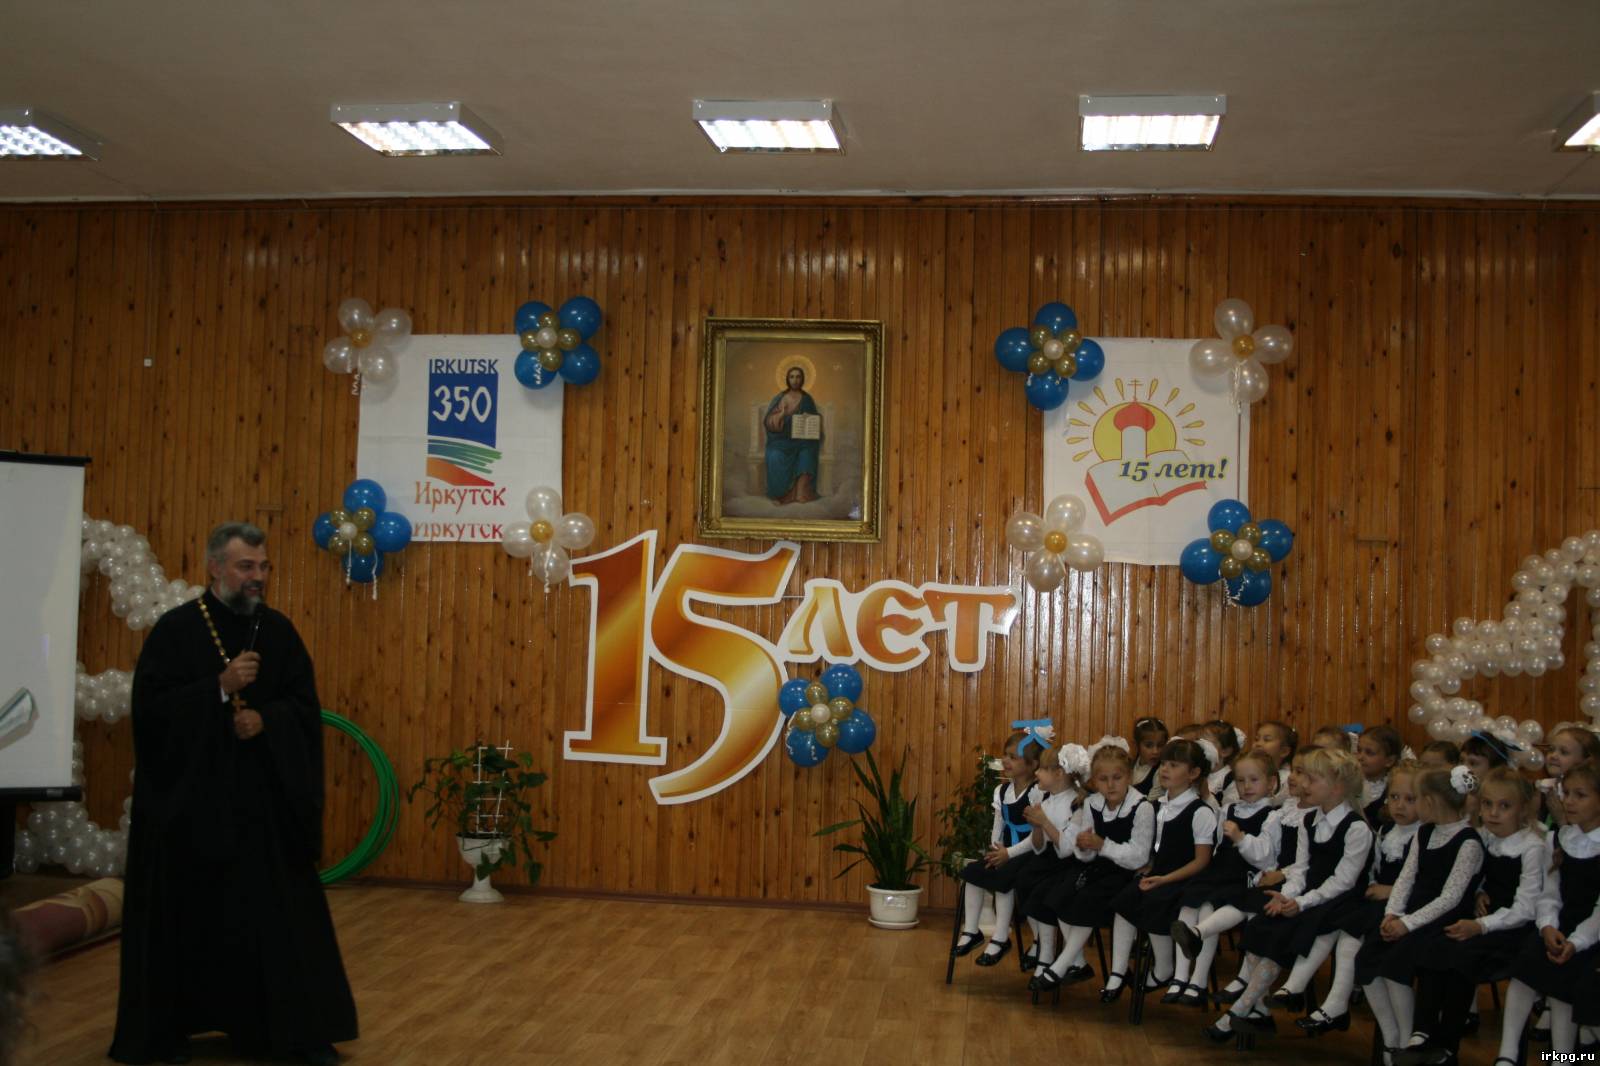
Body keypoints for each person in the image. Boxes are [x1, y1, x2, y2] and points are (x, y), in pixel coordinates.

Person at [111, 522, 356, 1066]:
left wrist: (266, 720)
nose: (257, 577)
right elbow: (151, 715)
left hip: (262, 809)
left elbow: (303, 708)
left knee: (280, 919)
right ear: (215, 567)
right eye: (247, 566)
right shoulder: (176, 631)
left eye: (263, 567)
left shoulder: (278, 631)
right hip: (192, 812)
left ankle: (290, 1032)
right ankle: (169, 1033)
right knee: (188, 922)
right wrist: (218, 690)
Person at [1203, 746, 1374, 1041]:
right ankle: (1257, 1011)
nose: (1302, 784)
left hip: (1339, 902)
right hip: (1308, 896)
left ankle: (1237, 1014)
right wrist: (1286, 895)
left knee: (1283, 934)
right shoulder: (1309, 819)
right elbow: (1302, 869)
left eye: (1311, 779)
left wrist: (1300, 902)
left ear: (1337, 787)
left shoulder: (1357, 828)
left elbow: (1343, 882)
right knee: (1261, 923)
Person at [1403, 767, 1547, 1064]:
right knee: (1434, 943)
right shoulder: (1483, 837)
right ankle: (1423, 1030)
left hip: (1513, 929)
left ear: (1523, 810)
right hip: (1481, 921)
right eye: (1487, 804)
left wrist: (1481, 925)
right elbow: (1477, 877)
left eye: (1504, 806)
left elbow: (1525, 908)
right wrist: (1479, 893)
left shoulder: (1531, 847)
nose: (1493, 813)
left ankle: (1448, 1045)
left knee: (1462, 958)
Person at [1355, 767, 1485, 1061]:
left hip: (1441, 921)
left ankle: (1409, 1038)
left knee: (1395, 963)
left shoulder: (1468, 842)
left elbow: (1451, 898)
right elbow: (1406, 878)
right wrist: (1392, 913)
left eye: (1416, 798)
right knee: (1367, 958)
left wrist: (1407, 924)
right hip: (1410, 914)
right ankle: (1392, 1037)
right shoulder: (1425, 832)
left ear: (1431, 801)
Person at [1289, 759, 1423, 1036]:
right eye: (1394, 797)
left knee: (1356, 936)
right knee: (1351, 934)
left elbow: (1427, 883)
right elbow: (1373, 869)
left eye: (1410, 799)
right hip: (1379, 905)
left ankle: (1347, 1009)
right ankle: (1354, 1015)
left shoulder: (1424, 835)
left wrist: (1390, 890)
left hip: (1410, 908)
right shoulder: (1386, 831)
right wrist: (1374, 885)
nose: (1399, 805)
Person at [1490, 763, 1600, 1065]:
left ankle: (1563, 1056)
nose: (1569, 802)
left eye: (1581, 795)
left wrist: (1576, 941)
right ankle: (1508, 1053)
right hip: (1560, 926)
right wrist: (1547, 926)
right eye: (1567, 793)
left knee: (1566, 979)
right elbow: (1549, 894)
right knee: (1527, 965)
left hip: (1591, 934)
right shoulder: (1560, 837)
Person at [1028, 742, 1153, 991]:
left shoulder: (1143, 807)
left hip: (1126, 874)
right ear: (1094, 781)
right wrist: (1084, 847)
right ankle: (1076, 962)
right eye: (1103, 779)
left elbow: (1139, 856)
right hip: (1097, 868)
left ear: (1129, 777)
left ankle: (1061, 965)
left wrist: (1102, 845)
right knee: (1058, 893)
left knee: (1087, 899)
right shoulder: (1093, 803)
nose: (1110, 785)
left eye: (1117, 778)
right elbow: (1083, 853)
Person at [1103, 738, 1215, 1002]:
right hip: (1160, 873)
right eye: (1164, 763)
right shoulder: (1158, 805)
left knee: (1154, 902)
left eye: (1174, 765)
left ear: (1193, 773)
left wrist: (1164, 879)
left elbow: (1201, 861)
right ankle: (1118, 972)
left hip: (1186, 879)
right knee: (1125, 900)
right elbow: (1158, 847)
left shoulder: (1200, 811)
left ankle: (1164, 968)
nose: (1164, 769)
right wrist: (1150, 867)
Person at [953, 730, 1043, 966]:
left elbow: (1037, 836)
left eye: (1013, 757)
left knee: (1005, 875)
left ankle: (1001, 936)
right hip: (1006, 852)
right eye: (1005, 755)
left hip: (1031, 853)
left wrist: (1008, 854)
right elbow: (998, 825)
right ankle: (972, 930)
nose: (1006, 761)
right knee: (972, 872)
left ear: (1033, 764)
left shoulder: (1037, 792)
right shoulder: (1001, 791)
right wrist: (994, 851)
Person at [763, 365, 821, 503]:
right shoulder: (780, 398)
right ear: (787, 379)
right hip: (780, 440)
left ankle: (800, 493)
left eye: (798, 377)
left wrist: (809, 420)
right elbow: (769, 422)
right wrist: (781, 415)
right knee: (775, 455)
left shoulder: (807, 399)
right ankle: (782, 495)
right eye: (792, 377)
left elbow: (814, 423)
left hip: (802, 440)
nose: (795, 380)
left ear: (803, 379)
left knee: (807, 453)